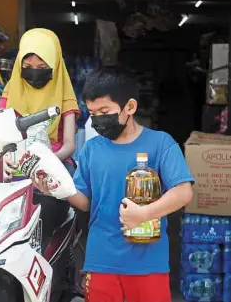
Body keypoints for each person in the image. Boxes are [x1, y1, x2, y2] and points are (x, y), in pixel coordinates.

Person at [33, 67, 194, 302]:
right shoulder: (91, 149)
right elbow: (86, 203)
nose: (98, 119)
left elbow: (183, 192)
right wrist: (58, 188)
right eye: (93, 112)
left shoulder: (161, 144)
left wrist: (144, 214)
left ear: (130, 107)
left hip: (148, 263)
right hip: (101, 261)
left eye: (105, 111)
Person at [0, 28, 79, 246]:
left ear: (54, 66)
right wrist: (6, 159)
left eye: (42, 68)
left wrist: (46, 163)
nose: (34, 72)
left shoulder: (64, 96)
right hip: (14, 164)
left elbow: (70, 145)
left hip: (55, 163)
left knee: (47, 213)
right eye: (27, 68)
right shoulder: (9, 94)